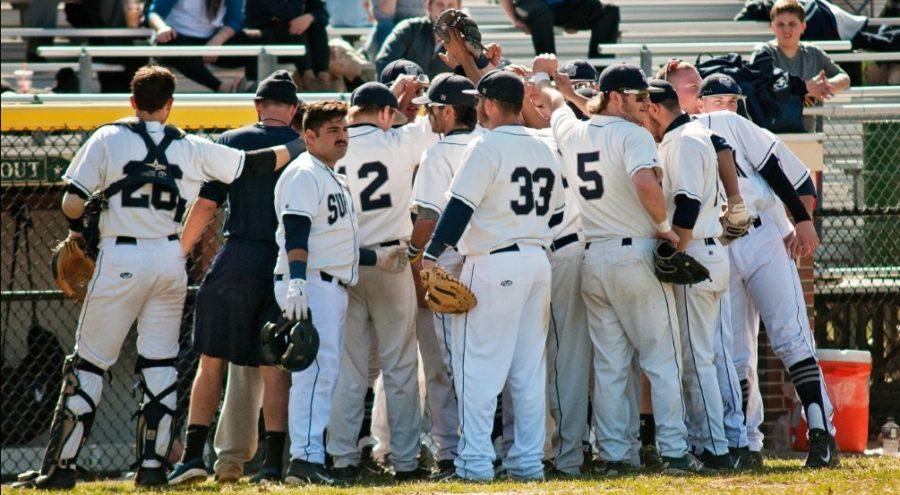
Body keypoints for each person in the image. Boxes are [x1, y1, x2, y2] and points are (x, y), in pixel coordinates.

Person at [11, 65, 305, 490]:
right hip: (169, 259)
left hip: (121, 255)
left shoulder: (110, 136)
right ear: (170, 104)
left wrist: (78, 229)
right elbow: (249, 164)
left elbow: (72, 200)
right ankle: (152, 467)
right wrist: (297, 144)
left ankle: (60, 468)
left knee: (89, 363)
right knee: (160, 364)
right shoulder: (186, 144)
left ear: (132, 102)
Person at [533, 58, 705, 474]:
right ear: (614, 96)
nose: (647, 102)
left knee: (610, 365)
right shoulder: (634, 135)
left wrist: (549, 82)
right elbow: (645, 183)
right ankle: (675, 451)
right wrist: (664, 227)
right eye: (638, 95)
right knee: (661, 359)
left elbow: (555, 105)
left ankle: (615, 455)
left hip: (595, 255)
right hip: (635, 255)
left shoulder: (574, 131)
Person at [421, 69, 565, 481]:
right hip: (536, 261)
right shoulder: (544, 148)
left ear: (486, 103)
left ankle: (474, 463)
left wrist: (432, 255)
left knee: (479, 368)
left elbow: (458, 209)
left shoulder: (485, 147)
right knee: (527, 371)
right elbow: (556, 213)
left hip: (493, 260)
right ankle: (526, 463)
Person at [692, 74, 838, 469]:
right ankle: (744, 441)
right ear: (697, 102)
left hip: (757, 233)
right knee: (734, 350)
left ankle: (820, 432)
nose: (724, 105)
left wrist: (802, 221)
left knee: (786, 337)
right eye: (716, 98)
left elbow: (784, 172)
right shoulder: (681, 133)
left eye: (730, 98)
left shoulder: (731, 123)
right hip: (722, 242)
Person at [166, 70, 302, 485]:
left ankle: (191, 456)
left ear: (258, 106)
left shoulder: (232, 140)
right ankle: (275, 465)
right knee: (275, 364)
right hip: (283, 261)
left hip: (239, 256)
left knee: (211, 361)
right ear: (293, 111)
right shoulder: (305, 149)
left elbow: (206, 207)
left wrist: (179, 255)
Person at [325, 80, 433, 481]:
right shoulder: (399, 141)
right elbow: (434, 120)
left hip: (345, 263)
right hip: (392, 260)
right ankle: (404, 460)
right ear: (387, 114)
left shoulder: (333, 146)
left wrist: (392, 99)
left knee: (349, 368)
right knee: (400, 366)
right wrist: (407, 102)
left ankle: (342, 456)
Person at [641, 79, 732, 469]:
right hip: (704, 251)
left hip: (696, 250)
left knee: (697, 360)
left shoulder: (684, 139)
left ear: (657, 108)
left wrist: (673, 247)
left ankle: (716, 447)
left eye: (646, 112)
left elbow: (689, 203)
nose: (645, 121)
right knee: (697, 357)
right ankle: (706, 441)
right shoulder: (689, 135)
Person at [407, 72, 482, 478]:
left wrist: (415, 261)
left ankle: (455, 452)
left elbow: (427, 219)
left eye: (433, 108)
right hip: (490, 259)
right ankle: (492, 445)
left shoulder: (439, 153)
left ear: (450, 110)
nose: (429, 116)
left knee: (450, 364)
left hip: (447, 260)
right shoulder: (490, 142)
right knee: (491, 360)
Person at [751, 0, 850, 131]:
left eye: (792, 24)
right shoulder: (764, 51)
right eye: (780, 24)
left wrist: (824, 86)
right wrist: (807, 88)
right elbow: (762, 86)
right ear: (772, 27)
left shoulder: (813, 52)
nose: (786, 29)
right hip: (771, 134)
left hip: (809, 131)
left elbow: (844, 78)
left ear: (803, 27)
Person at [147, 0, 254, 92]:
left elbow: (235, 20)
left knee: (255, 39)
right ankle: (221, 87)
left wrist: (217, 41)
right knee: (172, 48)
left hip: (212, 41)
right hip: (178, 39)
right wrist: (162, 28)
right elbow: (155, 13)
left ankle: (253, 87)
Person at [244, 0, 332, 91]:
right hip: (265, 37)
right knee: (297, 29)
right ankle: (309, 78)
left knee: (318, 29)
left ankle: (322, 76)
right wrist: (300, 20)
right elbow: (272, 15)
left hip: (297, 41)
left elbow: (323, 14)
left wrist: (309, 17)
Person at [498, 0, 619, 59]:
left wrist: (575, 17)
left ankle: (600, 73)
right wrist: (514, 17)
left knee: (609, 11)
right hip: (533, 4)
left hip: (564, 5)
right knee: (542, 13)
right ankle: (547, 72)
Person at [373, 0, 458, 77]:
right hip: (404, 91)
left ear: (458, 10)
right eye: (440, 4)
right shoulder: (409, 29)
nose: (445, 10)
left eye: (451, 5)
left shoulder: (462, 41)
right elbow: (384, 62)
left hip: (441, 93)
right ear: (428, 7)